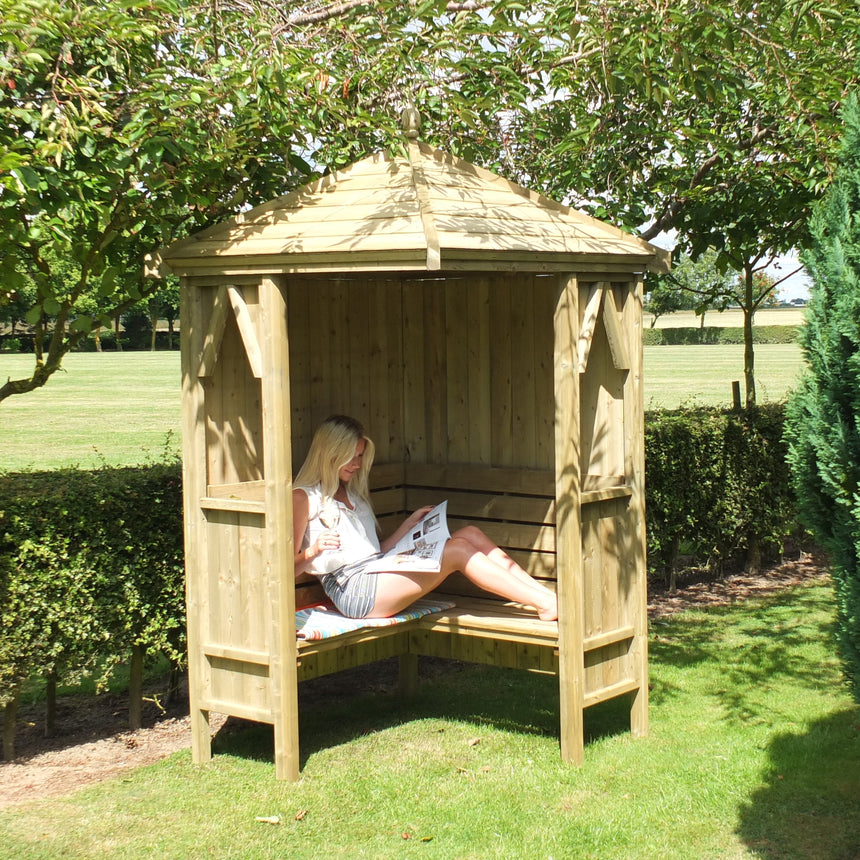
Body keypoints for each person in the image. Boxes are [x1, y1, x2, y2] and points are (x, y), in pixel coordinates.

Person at [292, 415, 559, 622]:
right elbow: (287, 570)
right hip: (354, 591)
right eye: (351, 457)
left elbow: (374, 553)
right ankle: (545, 604)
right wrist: (314, 551)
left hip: (376, 572)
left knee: (470, 533)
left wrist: (410, 525)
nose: (358, 464)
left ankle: (547, 597)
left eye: (360, 456)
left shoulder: (353, 494)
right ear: (330, 453)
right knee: (457, 550)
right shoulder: (304, 497)